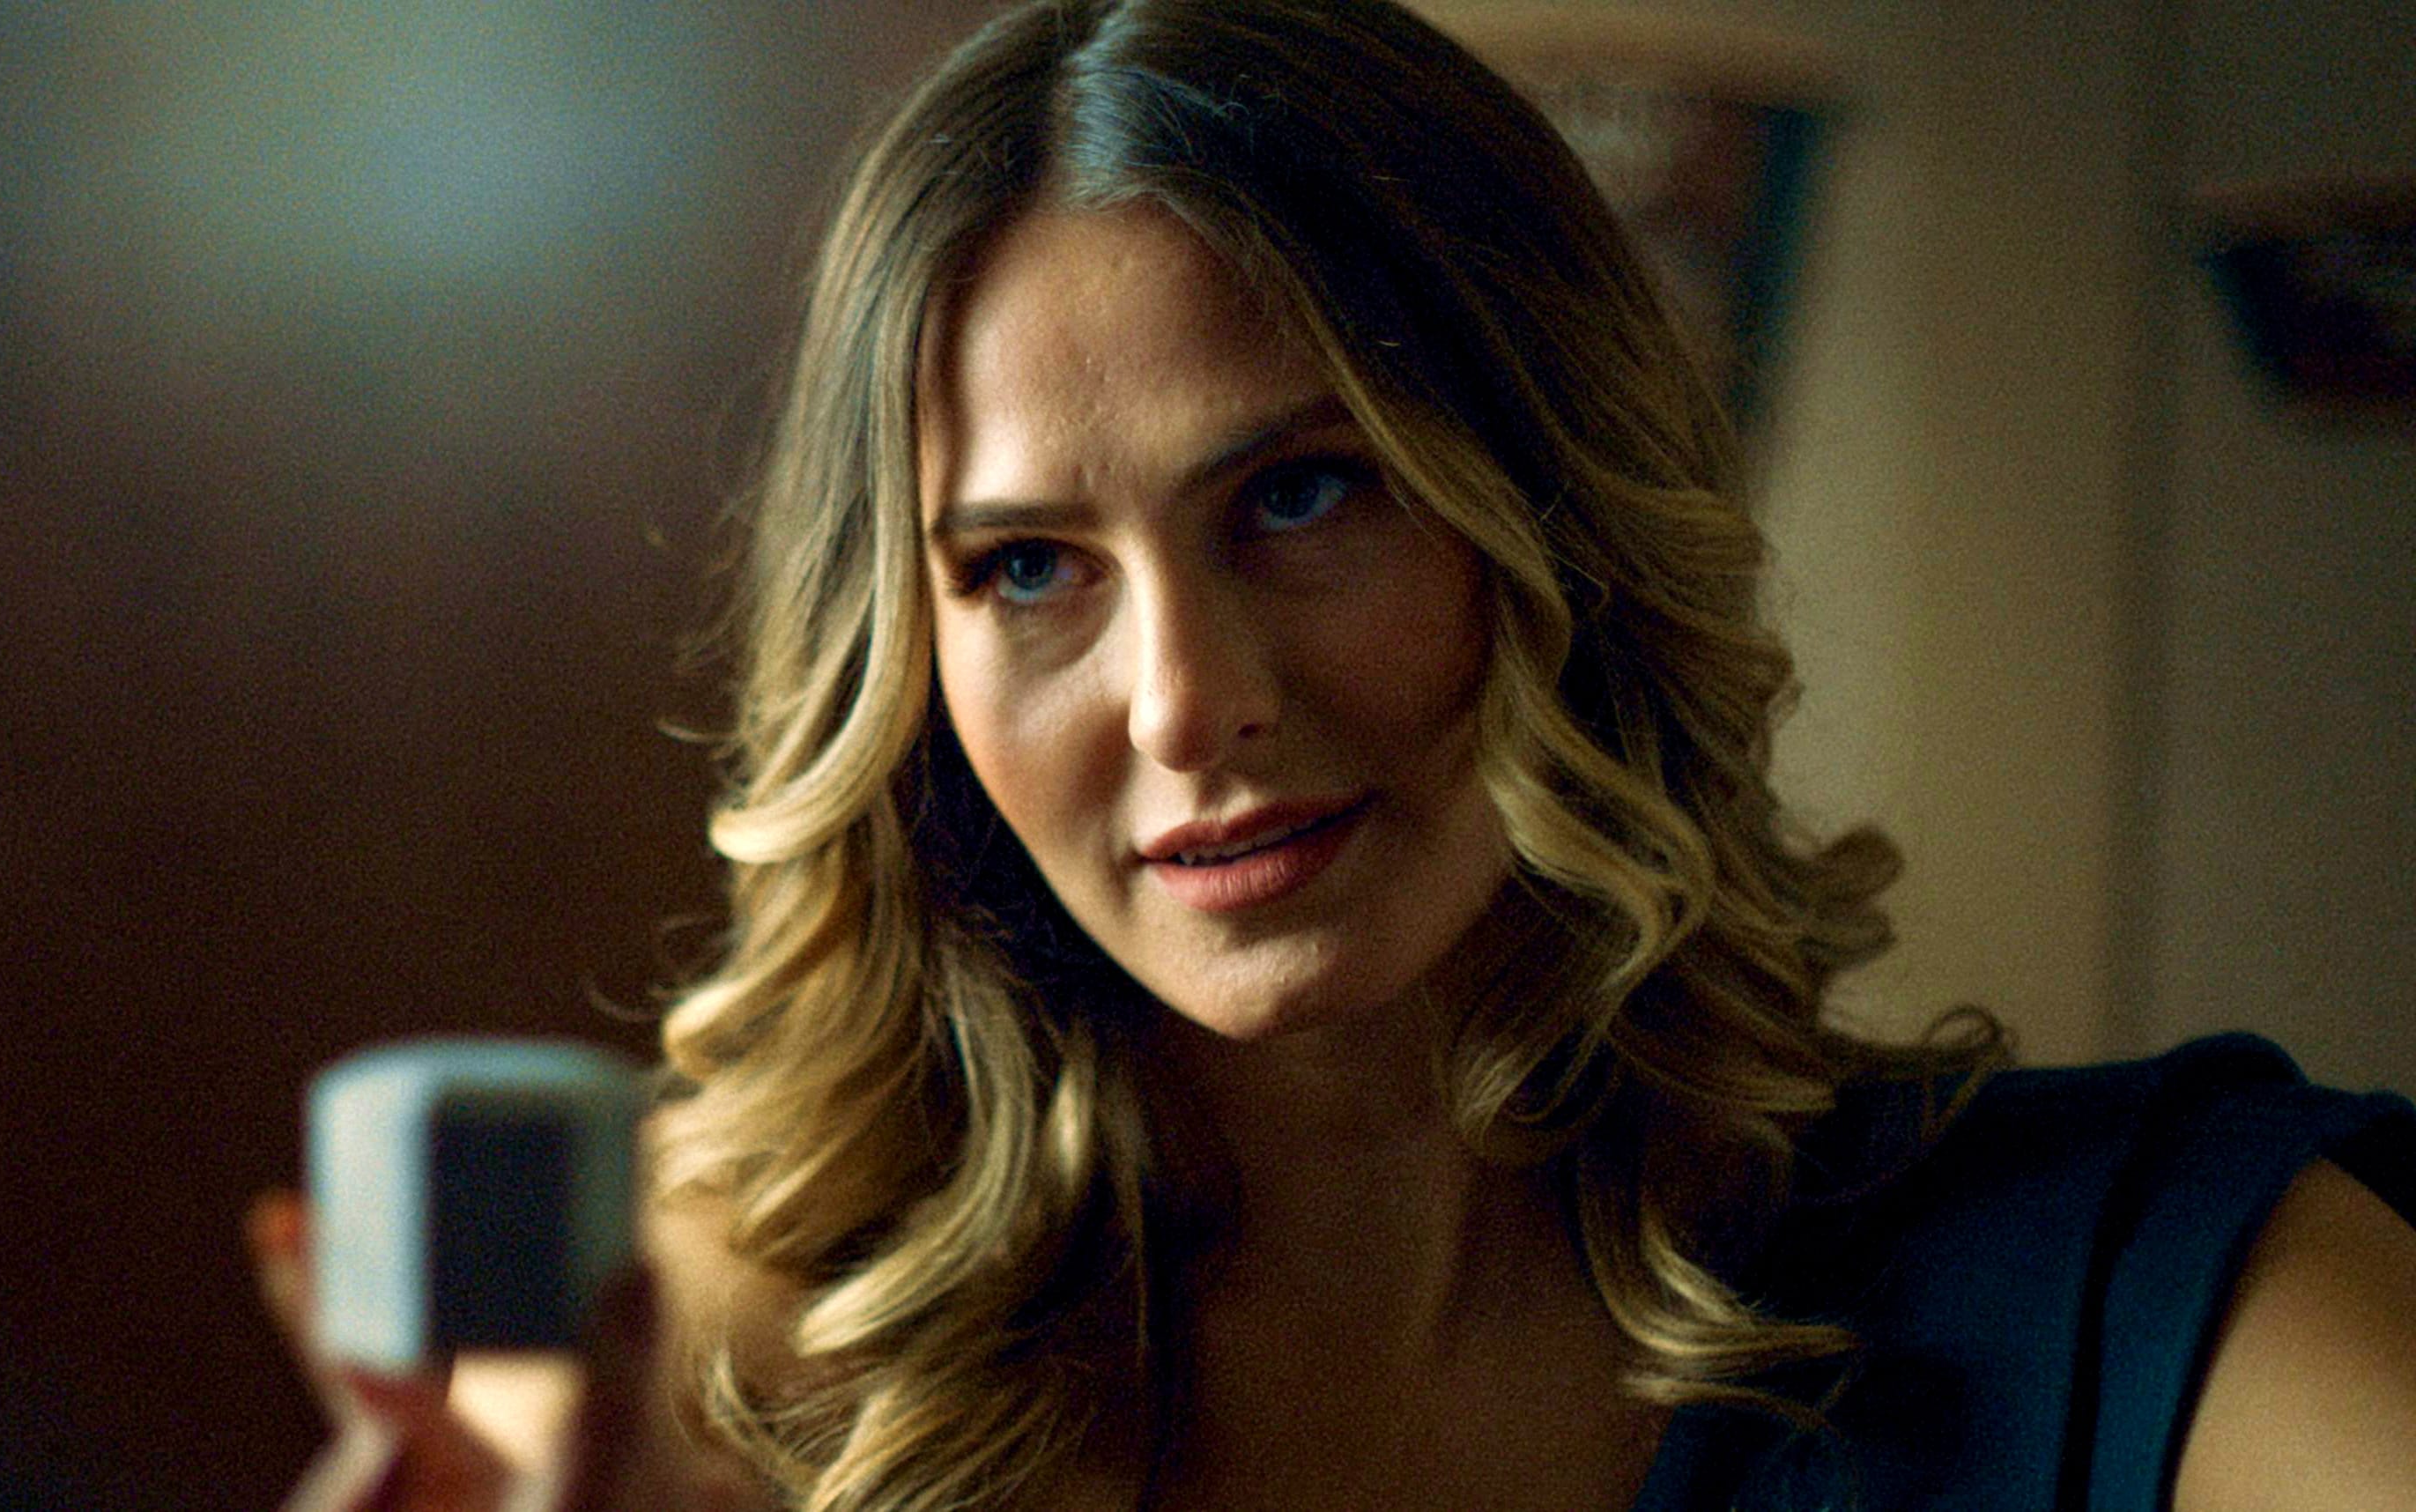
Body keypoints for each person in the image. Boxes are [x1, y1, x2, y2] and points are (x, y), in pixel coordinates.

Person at [250, 2, 2416, 1508]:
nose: (1182, 704)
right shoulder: (723, 1359)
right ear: (904, 670)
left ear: (1555, 522)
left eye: (1300, 497)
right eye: (1026, 568)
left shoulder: (2144, 1287)